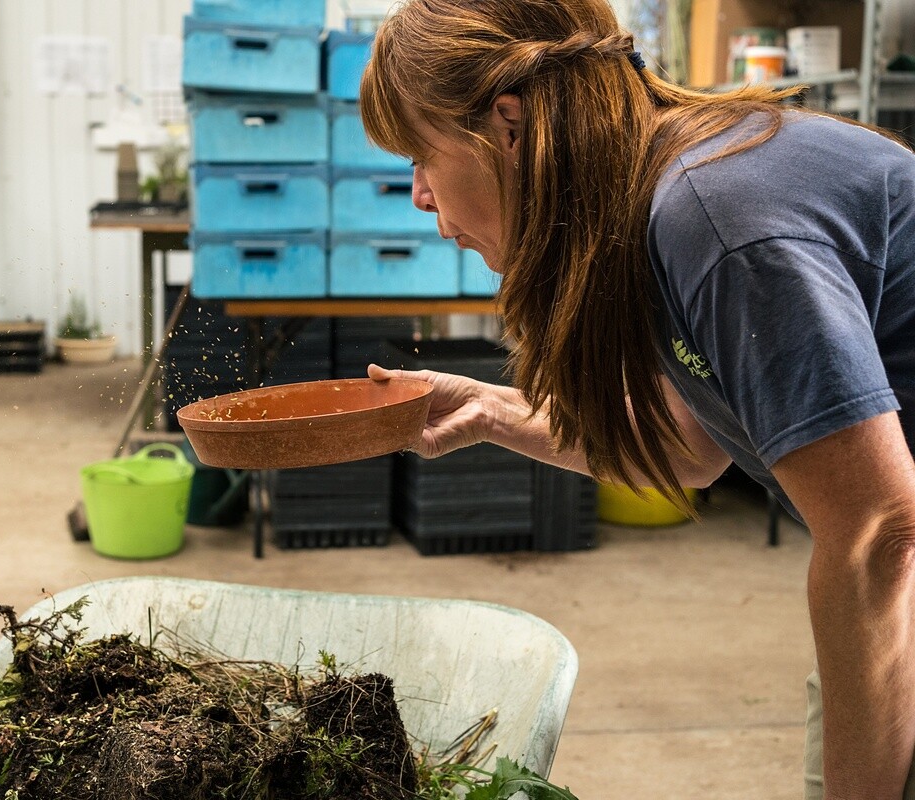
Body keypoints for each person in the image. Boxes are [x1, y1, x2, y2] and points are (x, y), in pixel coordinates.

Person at [358, 0, 915, 797]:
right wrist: (487, 409)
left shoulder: (715, 219)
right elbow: (691, 445)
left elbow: (879, 536)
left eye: (420, 153)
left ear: (508, 127)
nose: (417, 194)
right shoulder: (654, 205)